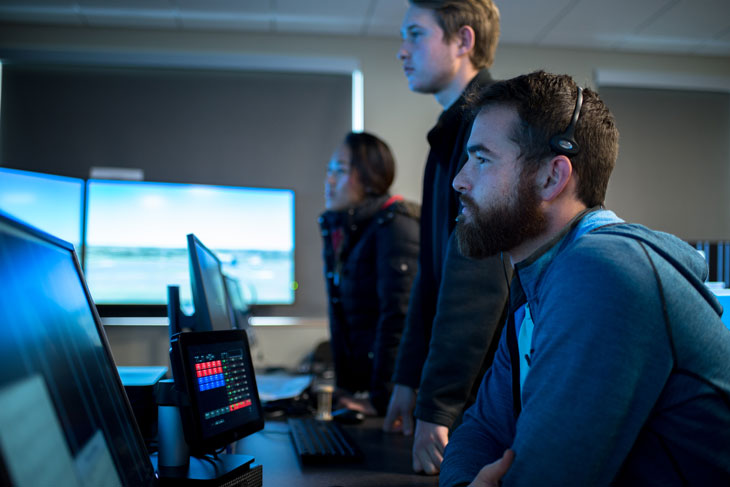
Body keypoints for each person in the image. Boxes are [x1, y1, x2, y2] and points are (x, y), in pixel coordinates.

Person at [440, 70, 730, 486]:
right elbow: (481, 430)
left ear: (552, 177)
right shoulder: (535, 288)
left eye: (482, 159)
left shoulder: (600, 272)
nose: (459, 179)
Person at [384, 0, 511, 475]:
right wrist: (406, 378)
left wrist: (438, 406)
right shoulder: (451, 133)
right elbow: (433, 273)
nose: (402, 50)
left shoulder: (492, 124)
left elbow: (474, 277)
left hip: (487, 396)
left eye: (415, 34)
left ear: (463, 41)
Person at [319, 131, 420, 416]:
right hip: (362, 393)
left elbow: (399, 318)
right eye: (329, 170)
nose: (329, 180)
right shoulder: (348, 229)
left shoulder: (395, 225)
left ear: (368, 175)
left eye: (339, 170)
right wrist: (347, 389)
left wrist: (380, 399)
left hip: (389, 404)